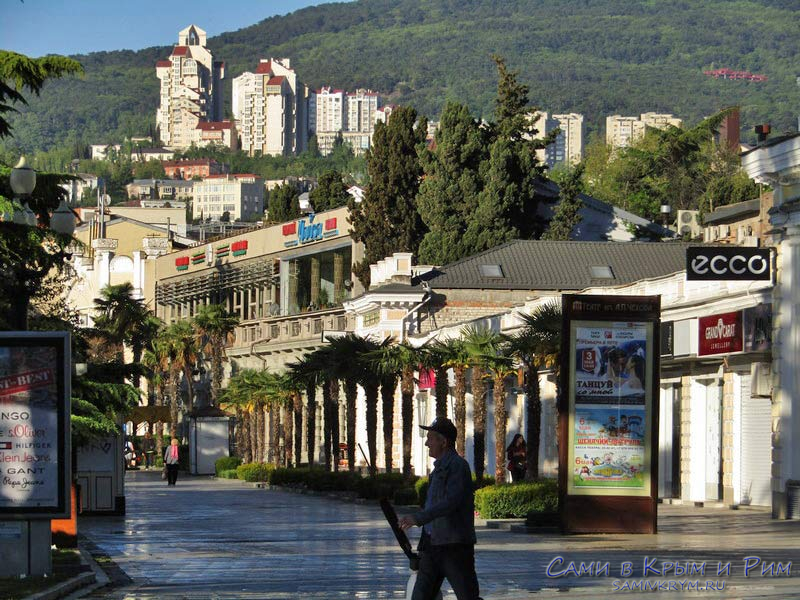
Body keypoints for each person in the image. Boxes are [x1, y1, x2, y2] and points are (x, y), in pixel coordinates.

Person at [399, 417, 480, 600]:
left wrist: (419, 518)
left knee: (467, 596)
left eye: (431, 438)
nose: (427, 443)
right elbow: (433, 505)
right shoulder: (438, 469)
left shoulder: (458, 466)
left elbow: (450, 503)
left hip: (454, 547)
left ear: (444, 442)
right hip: (432, 546)